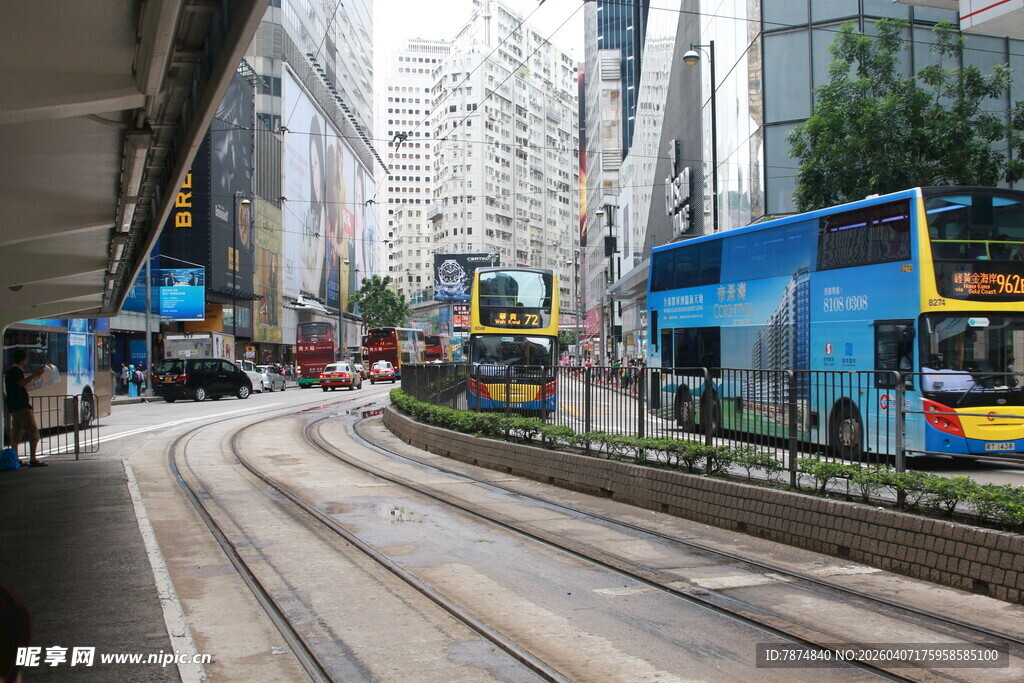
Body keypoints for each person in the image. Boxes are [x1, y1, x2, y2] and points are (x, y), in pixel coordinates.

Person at [4, 349, 46, 467]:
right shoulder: (16, 371)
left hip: (13, 406)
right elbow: (21, 383)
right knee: (33, 432)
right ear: (24, 360)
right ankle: (33, 458)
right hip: (21, 406)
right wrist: (35, 375)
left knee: (16, 432)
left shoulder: (9, 371)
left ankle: (15, 458)